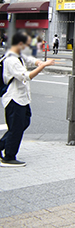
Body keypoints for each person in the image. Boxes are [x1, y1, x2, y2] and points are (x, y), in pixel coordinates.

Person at [0, 33, 55, 167]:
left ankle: (2, 146)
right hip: (14, 98)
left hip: (22, 98)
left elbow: (30, 59)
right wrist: (43, 66)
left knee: (24, 122)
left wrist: (38, 62)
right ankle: (9, 157)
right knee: (16, 128)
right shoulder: (11, 60)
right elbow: (27, 76)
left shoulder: (18, 55)